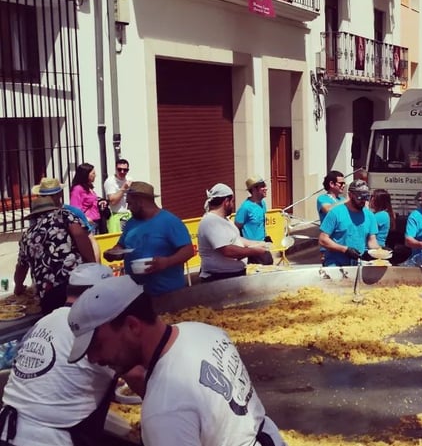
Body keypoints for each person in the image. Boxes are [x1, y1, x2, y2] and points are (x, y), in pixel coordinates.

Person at [66, 276, 288, 446]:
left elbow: (175, 406)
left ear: (132, 326)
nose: (93, 358)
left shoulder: (163, 413)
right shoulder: (206, 332)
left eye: (97, 345)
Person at [0, 264, 117, 446]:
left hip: (6, 431)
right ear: (101, 296)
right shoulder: (94, 328)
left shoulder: (43, 322)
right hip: (51, 440)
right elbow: (136, 376)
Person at [103, 182, 194, 296]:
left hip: (167, 293)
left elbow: (188, 251)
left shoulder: (169, 221)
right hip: (135, 293)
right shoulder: (131, 223)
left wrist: (167, 262)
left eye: (130, 203)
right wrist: (115, 252)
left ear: (140, 202)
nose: (128, 208)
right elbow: (122, 245)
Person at [14, 196, 96, 314]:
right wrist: (92, 264)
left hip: (48, 292)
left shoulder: (27, 235)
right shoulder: (64, 215)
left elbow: (21, 266)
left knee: (57, 322)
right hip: (75, 281)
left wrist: (18, 287)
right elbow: (79, 235)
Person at [198, 183, 272, 282]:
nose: (233, 205)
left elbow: (236, 239)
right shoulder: (211, 222)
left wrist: (257, 243)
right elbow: (227, 250)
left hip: (232, 275)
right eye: (232, 201)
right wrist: (255, 251)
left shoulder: (225, 220)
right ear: (226, 202)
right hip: (219, 278)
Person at [32, 177, 101, 263]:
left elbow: (91, 240)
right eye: (44, 196)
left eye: (50, 196)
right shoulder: (36, 217)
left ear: (59, 194)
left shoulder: (73, 212)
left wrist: (95, 264)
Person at [319, 180, 380, 266]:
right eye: (360, 198)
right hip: (335, 264)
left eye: (365, 198)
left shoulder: (370, 215)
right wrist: (345, 249)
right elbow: (323, 240)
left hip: (357, 263)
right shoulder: (336, 212)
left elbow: (372, 241)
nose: (363, 201)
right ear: (350, 195)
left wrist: (381, 250)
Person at [234, 175, 274, 265]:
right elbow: (236, 229)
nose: (266, 188)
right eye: (262, 186)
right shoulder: (245, 208)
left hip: (263, 246)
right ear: (254, 189)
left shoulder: (263, 204)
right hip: (252, 250)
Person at [69, 163, 103, 234]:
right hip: (87, 223)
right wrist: (86, 219)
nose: (95, 175)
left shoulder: (88, 187)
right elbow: (74, 208)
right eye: (93, 173)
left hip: (95, 221)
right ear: (86, 174)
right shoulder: (77, 189)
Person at [103, 158, 132, 233]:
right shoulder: (110, 181)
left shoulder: (129, 179)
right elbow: (113, 201)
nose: (122, 172)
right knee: (119, 239)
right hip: (117, 217)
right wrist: (123, 188)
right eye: (119, 169)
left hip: (129, 215)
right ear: (116, 169)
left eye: (125, 170)